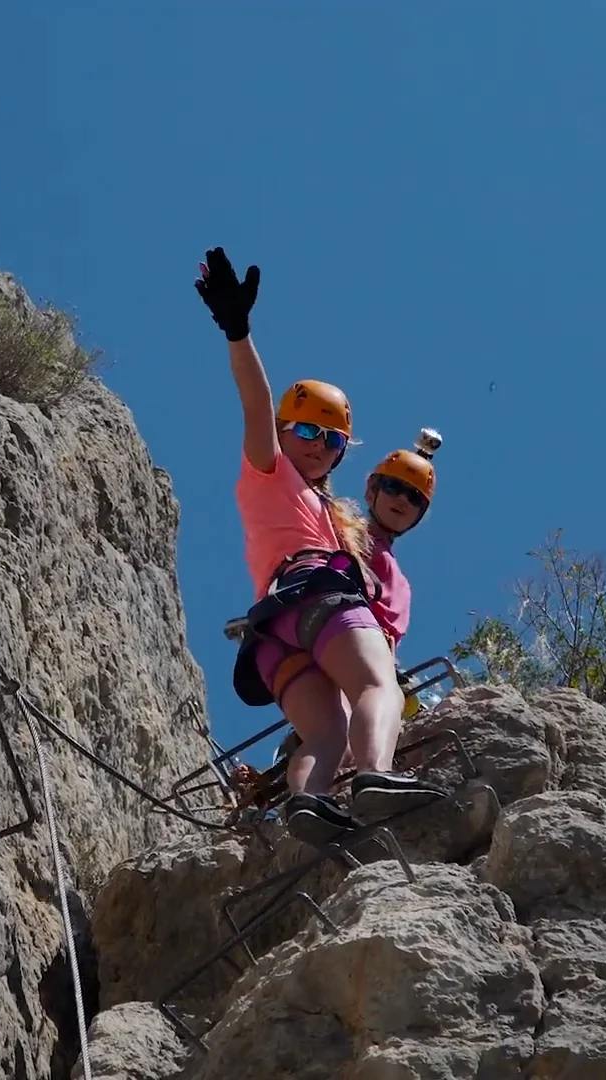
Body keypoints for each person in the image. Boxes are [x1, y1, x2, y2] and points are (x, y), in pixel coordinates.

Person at [195, 246, 442, 847]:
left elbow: (376, 547)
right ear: (284, 432)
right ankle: (377, 778)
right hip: (321, 601)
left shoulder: (331, 515)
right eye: (305, 429)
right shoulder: (269, 469)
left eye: (332, 439)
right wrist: (237, 330)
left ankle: (308, 805)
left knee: (323, 736)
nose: (317, 443)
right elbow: (255, 400)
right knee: (377, 688)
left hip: (273, 637)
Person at [271, 429, 448, 804]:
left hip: (328, 641)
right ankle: (374, 780)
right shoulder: (343, 529)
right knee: (372, 708)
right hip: (340, 635)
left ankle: (310, 805)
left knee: (334, 736)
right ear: (372, 491)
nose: (403, 499)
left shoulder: (395, 573)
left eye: (414, 497)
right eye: (395, 488)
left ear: (419, 515)